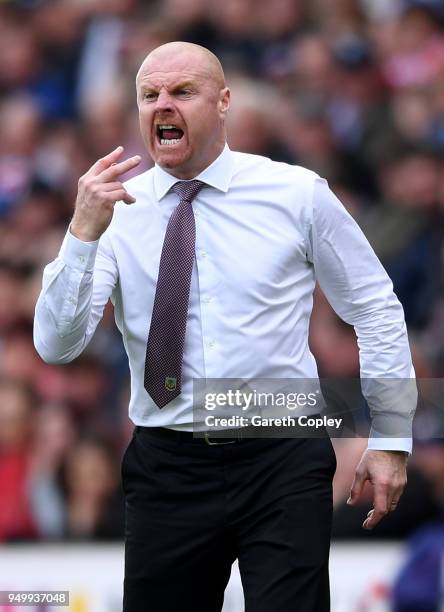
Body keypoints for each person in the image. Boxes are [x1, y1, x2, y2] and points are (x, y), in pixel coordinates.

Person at [34, 42, 416, 612]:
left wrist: (391, 436)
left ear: (224, 102)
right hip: (168, 464)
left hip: (281, 453)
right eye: (149, 95)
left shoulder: (295, 193)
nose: (163, 105)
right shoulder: (113, 210)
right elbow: (56, 346)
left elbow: (374, 307)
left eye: (182, 92)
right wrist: (81, 234)